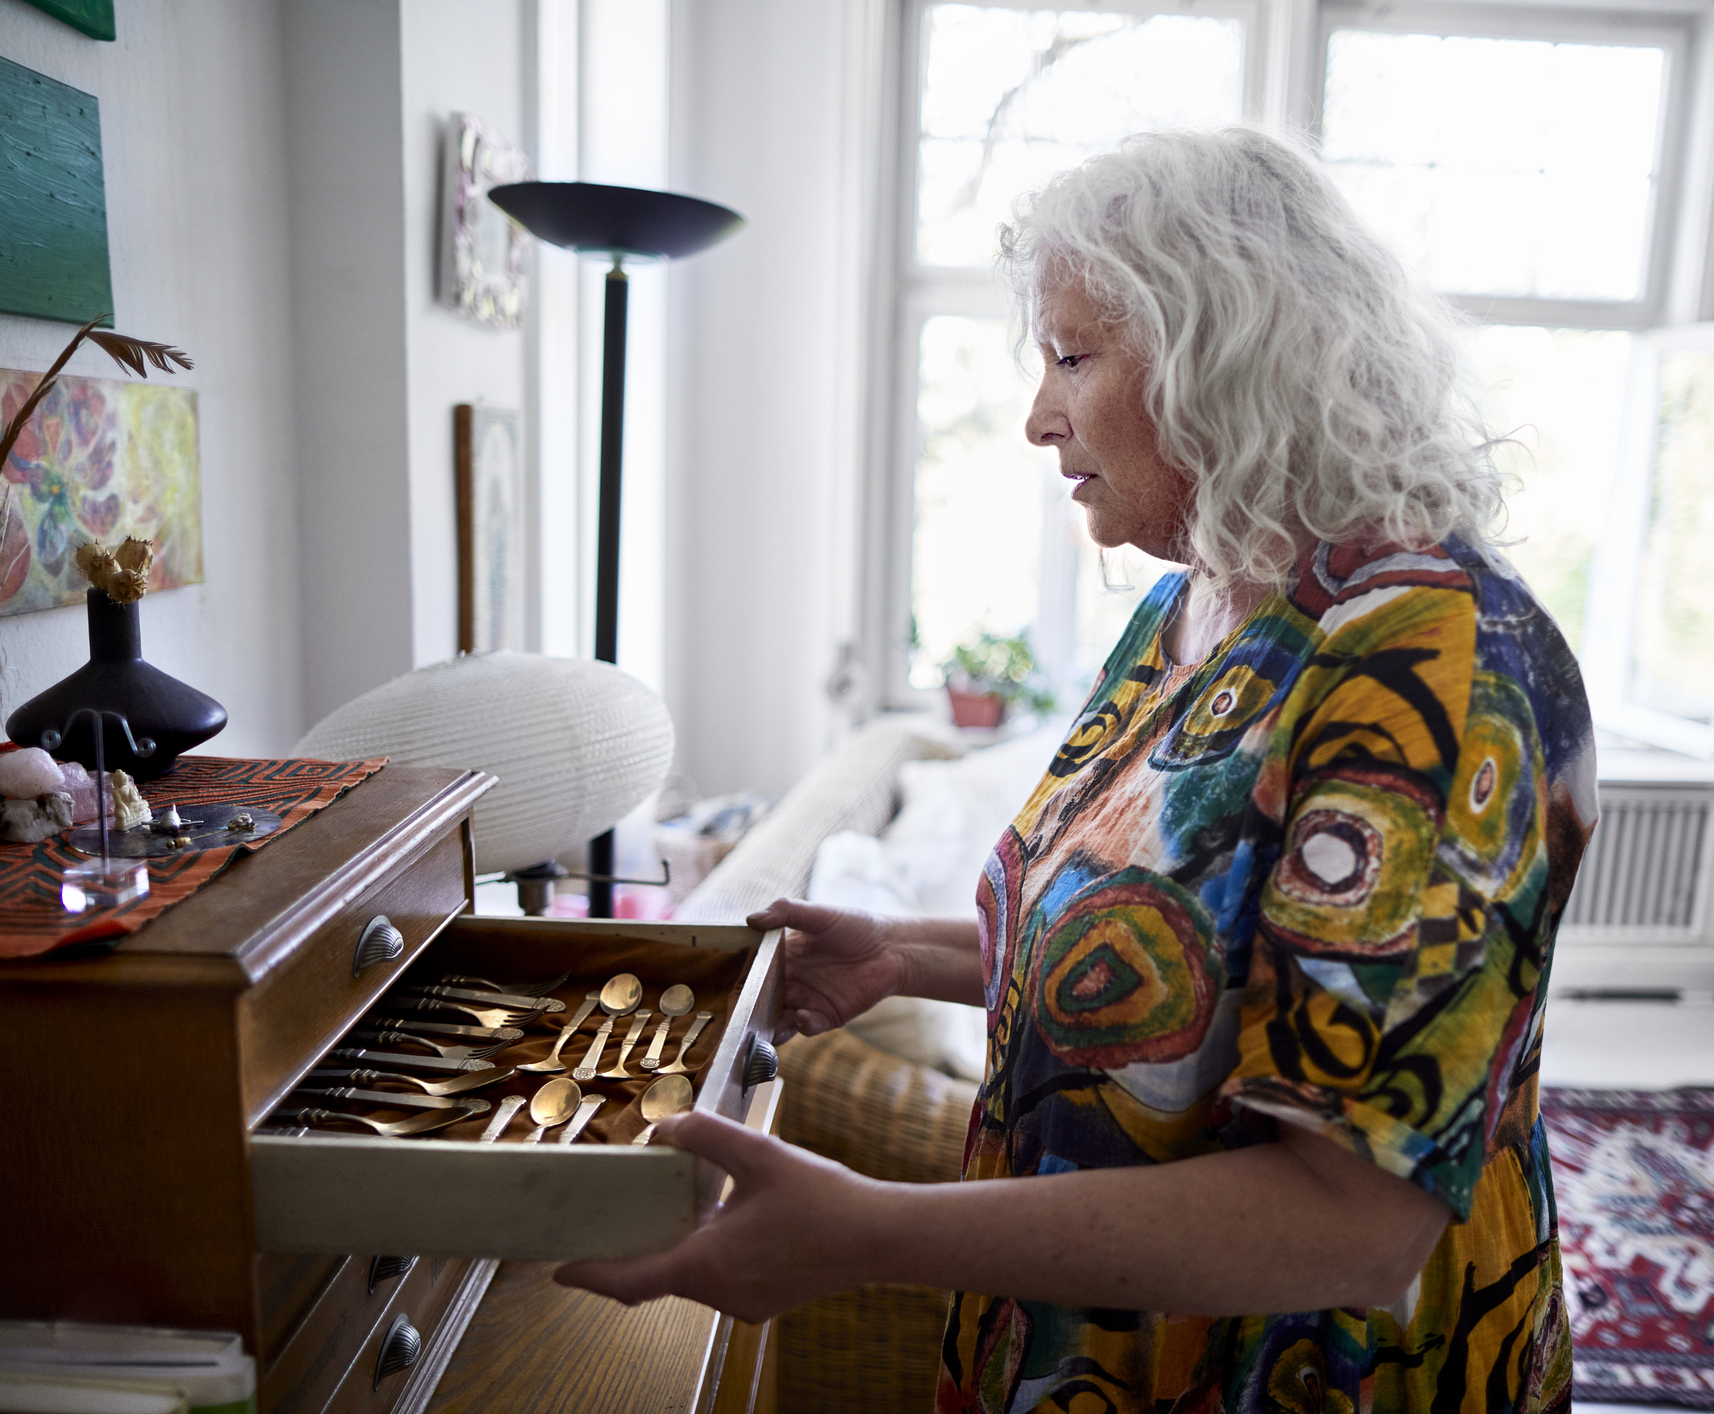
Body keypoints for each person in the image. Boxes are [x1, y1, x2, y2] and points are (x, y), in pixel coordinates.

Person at [557, 126, 1598, 1414]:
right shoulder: (1205, 598)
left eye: (1071, 356)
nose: (1038, 414)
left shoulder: (1440, 670)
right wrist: (909, 953)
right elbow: (1182, 961)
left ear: (1234, 356)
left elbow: (1350, 1223)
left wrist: (868, 1230)